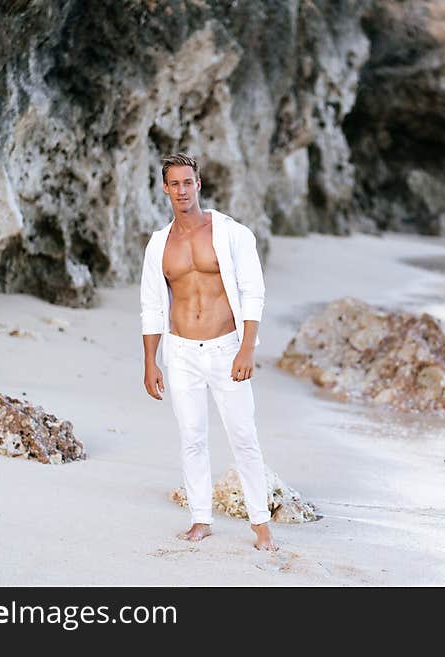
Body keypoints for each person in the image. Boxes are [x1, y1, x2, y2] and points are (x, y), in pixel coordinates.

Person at [139, 152, 278, 551]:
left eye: (188, 182)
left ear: (198, 184)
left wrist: (247, 348)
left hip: (226, 348)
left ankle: (261, 524)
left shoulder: (233, 234)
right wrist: (151, 361)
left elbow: (254, 292)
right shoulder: (158, 245)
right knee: (192, 437)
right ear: (165, 188)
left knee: (243, 435)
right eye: (174, 184)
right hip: (180, 352)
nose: (182, 190)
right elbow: (151, 304)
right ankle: (201, 518)